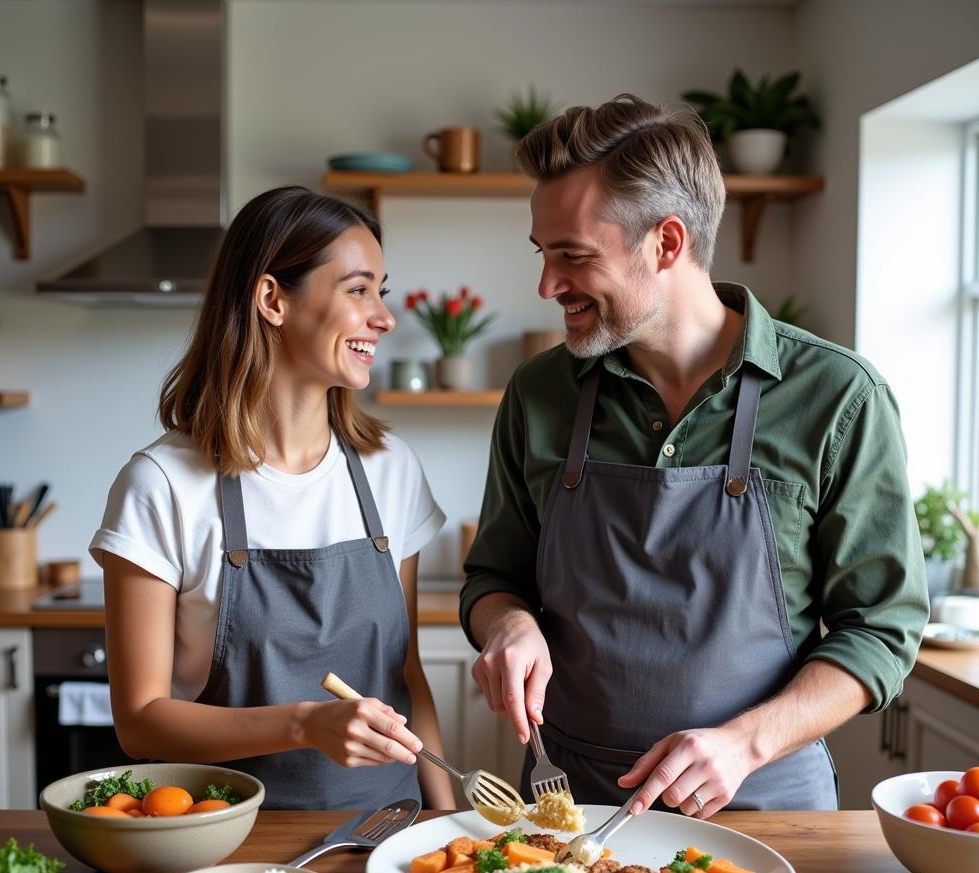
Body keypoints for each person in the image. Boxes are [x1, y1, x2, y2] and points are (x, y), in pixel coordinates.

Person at [461, 95, 928, 816]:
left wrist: (746, 743)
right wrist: (509, 623)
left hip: (767, 810)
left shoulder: (839, 398)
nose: (547, 285)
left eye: (572, 256)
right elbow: (495, 574)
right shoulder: (539, 392)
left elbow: (883, 628)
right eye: (543, 252)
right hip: (572, 810)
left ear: (667, 244)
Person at [91, 186, 455, 812]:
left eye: (382, 292)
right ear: (272, 300)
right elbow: (140, 719)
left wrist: (446, 820)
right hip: (224, 842)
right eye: (358, 290)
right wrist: (303, 724)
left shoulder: (391, 470)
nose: (385, 317)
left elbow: (407, 676)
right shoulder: (162, 485)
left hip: (391, 837)